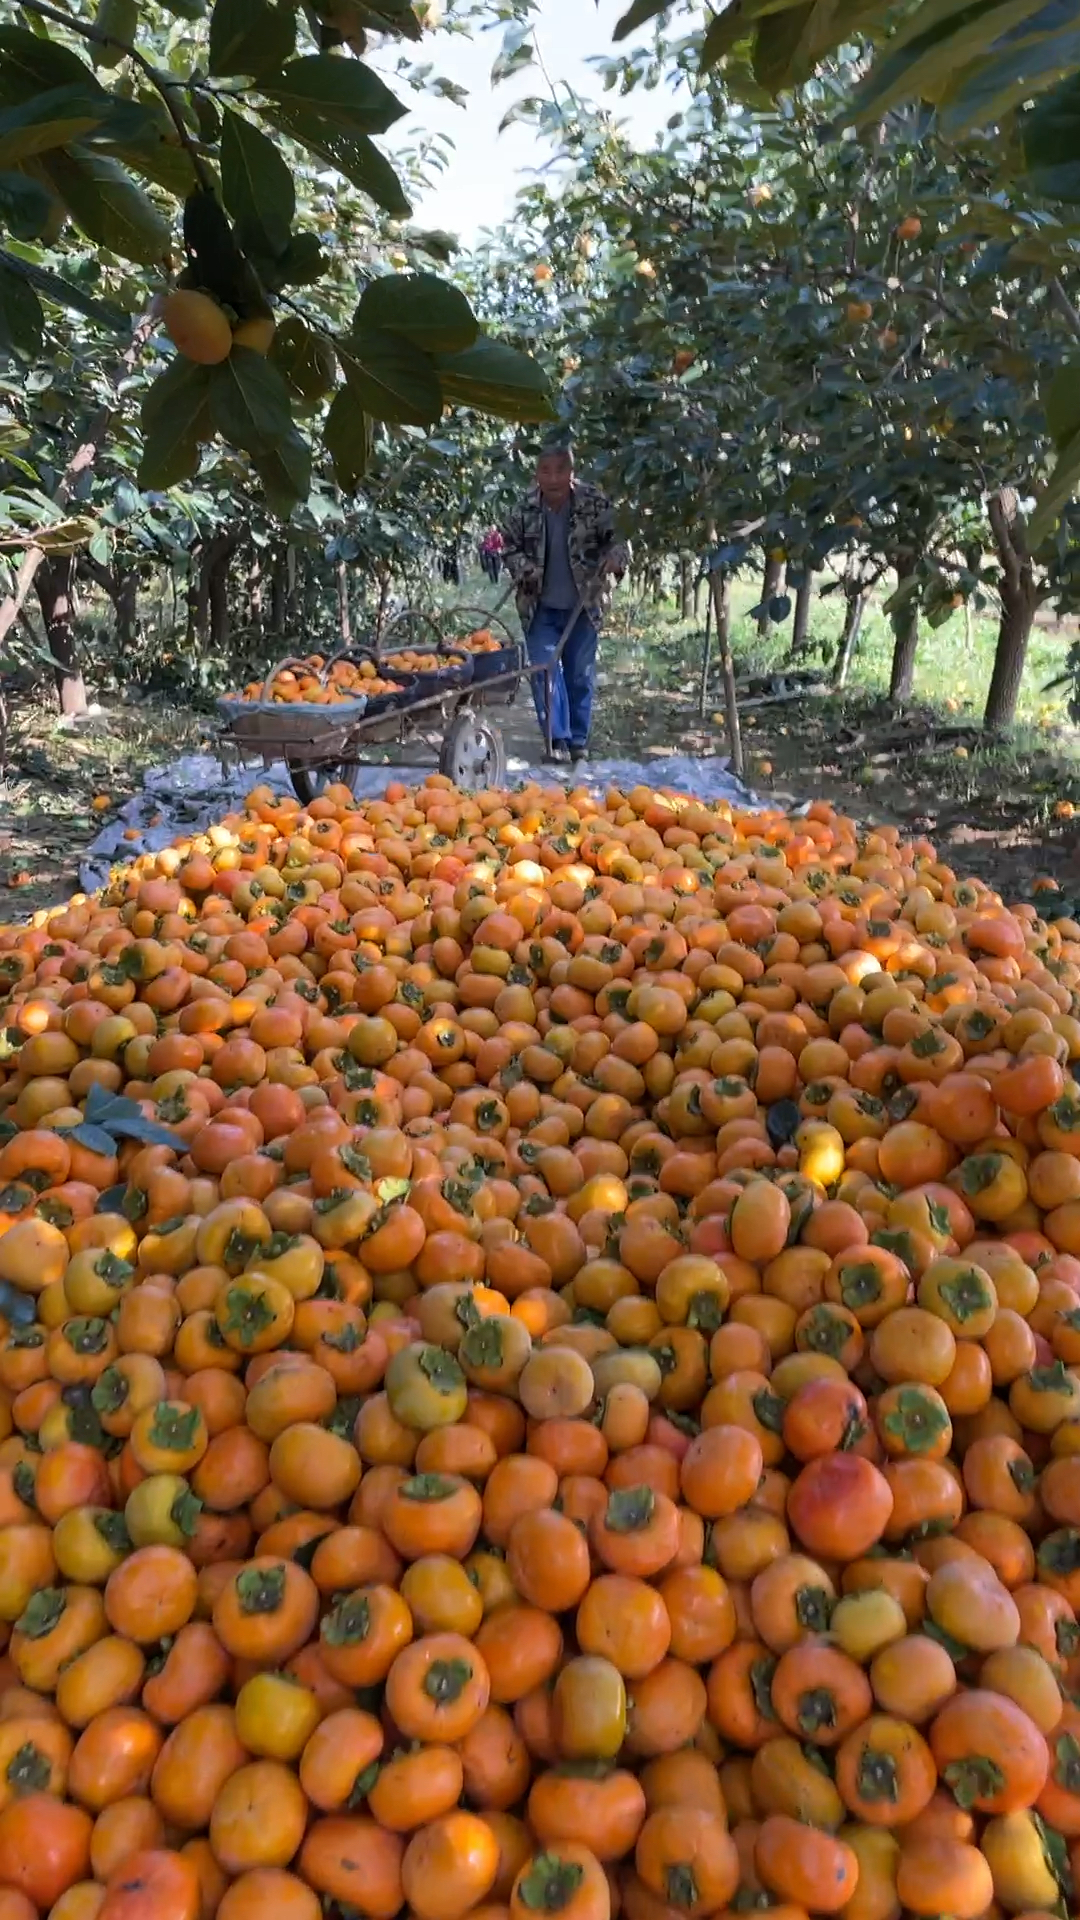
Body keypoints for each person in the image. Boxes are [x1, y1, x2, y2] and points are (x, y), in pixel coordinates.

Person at [499, 446, 628, 763]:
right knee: (545, 672)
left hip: (584, 605)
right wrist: (523, 568)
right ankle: (556, 738)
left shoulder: (593, 502)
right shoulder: (524, 509)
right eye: (546, 470)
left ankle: (578, 741)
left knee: (579, 674)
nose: (553, 478)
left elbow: (620, 537)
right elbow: (507, 545)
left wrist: (616, 557)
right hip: (539, 606)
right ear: (536, 473)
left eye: (560, 470)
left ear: (572, 472)